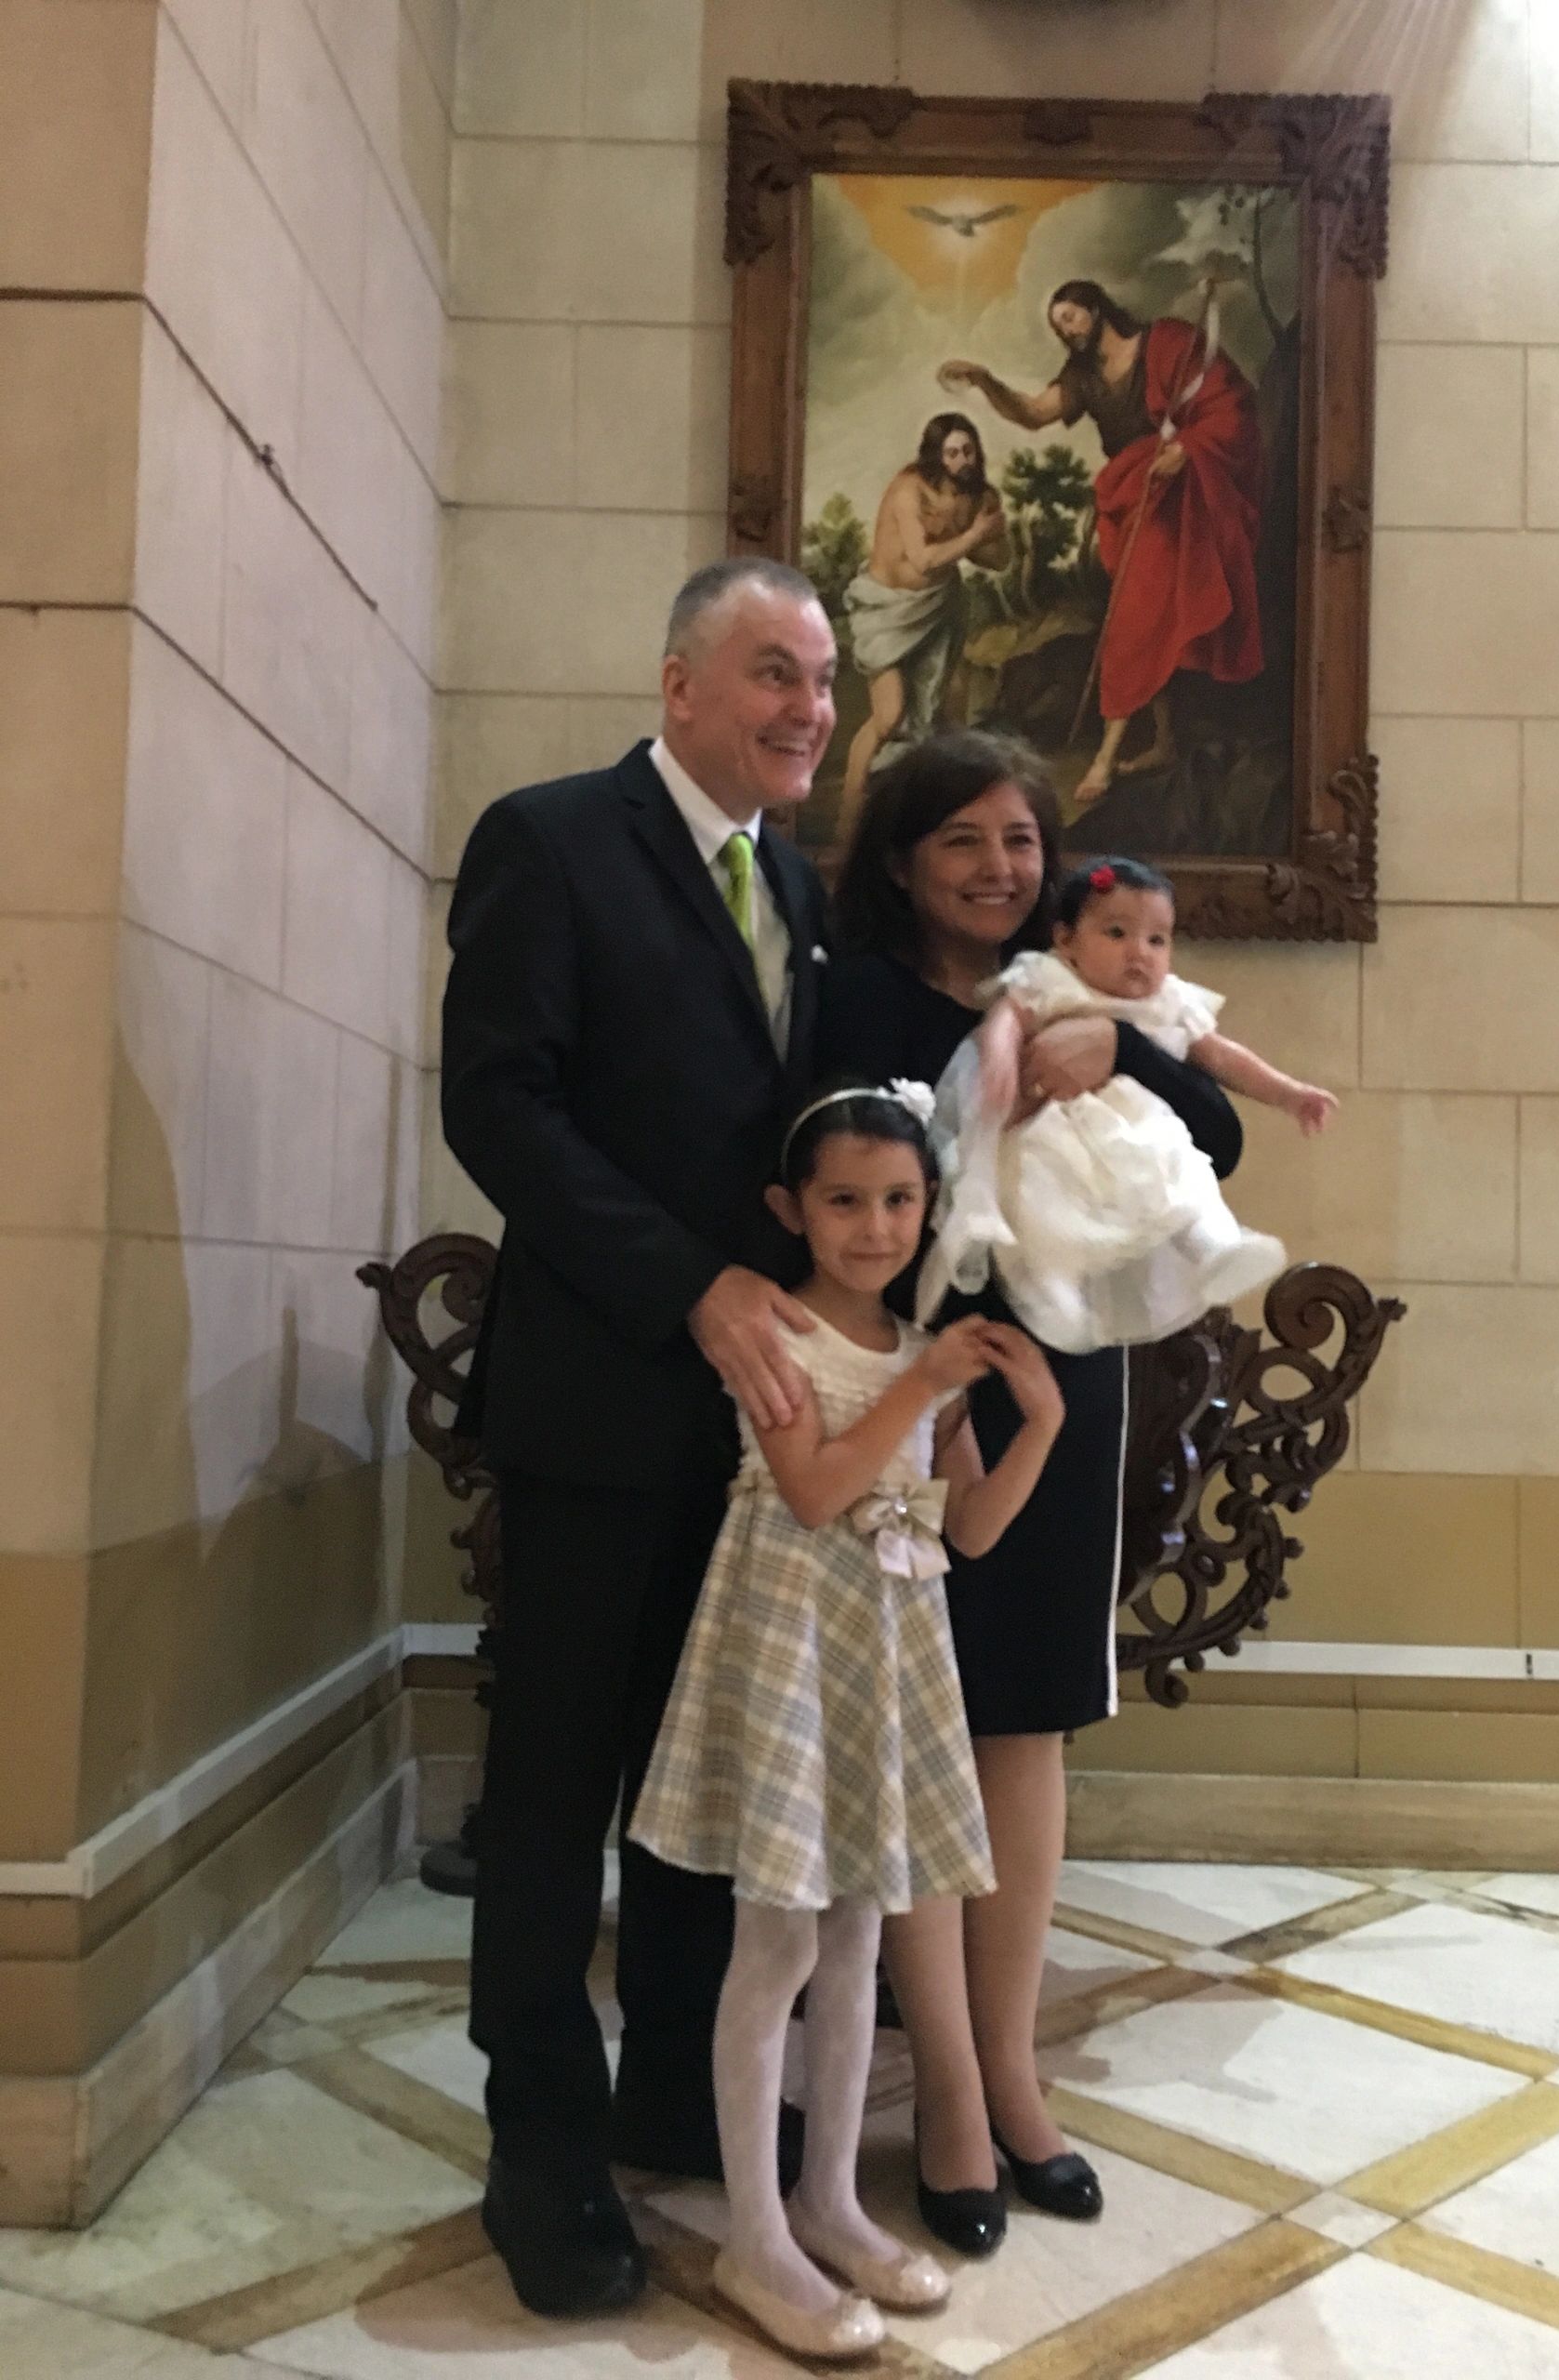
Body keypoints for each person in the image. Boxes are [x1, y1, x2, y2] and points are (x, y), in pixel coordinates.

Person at [440, 559, 839, 2319]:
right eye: (771, 673)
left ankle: (676, 2084)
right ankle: (543, 2145)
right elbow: (495, 1102)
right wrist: (690, 1287)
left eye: (820, 683)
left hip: (759, 1434)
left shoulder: (803, 887)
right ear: (678, 683)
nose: (804, 708)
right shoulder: (553, 839)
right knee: (558, 1790)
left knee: (703, 1783)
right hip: (601, 1400)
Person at [815, 729, 1244, 2255]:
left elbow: (1225, 1128)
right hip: (912, 1382)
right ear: (903, 862)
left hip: (1066, 1383)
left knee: (1030, 1717)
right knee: (927, 1714)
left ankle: (1013, 2069)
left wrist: (1118, 1050)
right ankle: (940, 2090)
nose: (1000, 869)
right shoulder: (852, 995)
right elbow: (838, 1172)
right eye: (964, 844)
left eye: (1019, 841)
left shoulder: (1099, 990)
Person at [631, 1082, 1063, 2358]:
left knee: (861, 1935)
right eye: (844, 1201)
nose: (875, 1227)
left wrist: (1032, 1420)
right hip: (790, 1640)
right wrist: (921, 1383)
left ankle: (826, 2198)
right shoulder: (773, 1330)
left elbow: (969, 1526)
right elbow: (817, 1490)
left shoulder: (930, 1343)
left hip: (886, 1644)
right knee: (775, 1945)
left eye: (899, 1200)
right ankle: (752, 2234)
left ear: (932, 1206)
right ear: (791, 1210)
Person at [922, 854, 1336, 1354]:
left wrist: (1289, 1094)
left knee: (1184, 1171)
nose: (1139, 953)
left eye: (1156, 940)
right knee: (1039, 1196)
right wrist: (999, 1062)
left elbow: (1222, 1057)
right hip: (1052, 1127)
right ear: (1066, 940)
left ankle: (1215, 1246)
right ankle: (1055, 1294)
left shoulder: (1169, 1000)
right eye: (1116, 934)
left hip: (1139, 1130)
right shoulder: (1048, 980)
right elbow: (1004, 1022)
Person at [940, 277, 1263, 804]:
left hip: (1178, 496)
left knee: (1138, 616)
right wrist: (984, 380)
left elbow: (1231, 404)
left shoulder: (1167, 344)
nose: (1065, 330)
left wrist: (1189, 447)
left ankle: (1106, 758)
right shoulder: (1082, 377)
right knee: (1152, 615)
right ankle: (1163, 740)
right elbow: (1032, 412)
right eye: (1057, 325)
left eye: (1070, 317)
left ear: (1096, 308)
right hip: (1132, 496)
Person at [839, 413, 1010, 831]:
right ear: (936, 455)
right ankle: (848, 808)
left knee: (934, 711)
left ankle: (919, 810)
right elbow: (922, 558)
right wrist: (973, 536)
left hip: (938, 606)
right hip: (886, 609)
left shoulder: (978, 496)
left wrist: (989, 535)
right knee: (889, 715)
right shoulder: (909, 490)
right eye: (952, 452)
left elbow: (998, 560)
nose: (962, 459)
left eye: (968, 450)